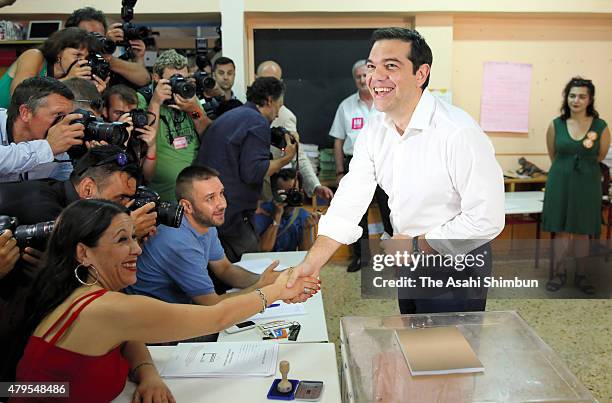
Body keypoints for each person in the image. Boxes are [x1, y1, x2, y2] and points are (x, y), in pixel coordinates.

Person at [286, 27, 505, 314]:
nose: (376, 77)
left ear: (421, 74)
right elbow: (351, 198)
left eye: (391, 66)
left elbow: (486, 219)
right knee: (415, 345)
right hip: (409, 260)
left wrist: (418, 245)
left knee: (448, 354)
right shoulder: (376, 129)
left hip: (456, 264)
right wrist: (312, 262)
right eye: (372, 67)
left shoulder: (458, 132)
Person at [6, 199, 318, 398]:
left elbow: (127, 337)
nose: (137, 249)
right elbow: (215, 317)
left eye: (134, 237)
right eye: (122, 240)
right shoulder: (104, 308)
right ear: (83, 252)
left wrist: (147, 371)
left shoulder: (85, 298)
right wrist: (279, 289)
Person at [125, 165, 282, 306]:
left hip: (179, 309)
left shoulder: (204, 221)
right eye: (210, 198)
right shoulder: (179, 242)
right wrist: (260, 287)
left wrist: (271, 279)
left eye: (221, 194)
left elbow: (225, 269)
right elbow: (211, 304)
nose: (222, 204)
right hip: (156, 327)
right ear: (187, 206)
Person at [196, 77, 297, 262]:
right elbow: (253, 172)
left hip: (208, 205)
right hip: (231, 212)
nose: (277, 114)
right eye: (279, 105)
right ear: (268, 100)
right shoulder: (258, 122)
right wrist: (286, 159)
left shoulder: (233, 115)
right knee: (249, 264)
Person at [542, 77, 610, 294]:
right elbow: (553, 155)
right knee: (561, 231)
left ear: (590, 100)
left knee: (583, 232)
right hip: (560, 181)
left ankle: (581, 275)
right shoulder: (556, 124)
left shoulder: (601, 126)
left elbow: (600, 155)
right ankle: (559, 273)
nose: (576, 100)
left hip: (588, 183)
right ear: (566, 98)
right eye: (572, 95)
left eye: (582, 96)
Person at [0, 145, 156, 239]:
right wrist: (128, 231)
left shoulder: (61, 198)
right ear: (87, 189)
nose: (127, 206)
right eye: (121, 198)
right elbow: (84, 266)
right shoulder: (43, 210)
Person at [329, 59, 392, 272]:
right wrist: (339, 171)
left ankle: (396, 256)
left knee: (391, 211)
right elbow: (338, 141)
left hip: (385, 165)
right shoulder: (345, 106)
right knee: (356, 215)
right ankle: (362, 257)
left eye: (366, 75)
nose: (363, 80)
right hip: (355, 166)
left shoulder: (388, 103)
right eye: (358, 76)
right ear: (354, 79)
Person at [256, 60, 334, 202]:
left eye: (273, 82)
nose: (268, 88)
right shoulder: (244, 111)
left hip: (270, 186)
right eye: (264, 81)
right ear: (255, 79)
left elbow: (298, 153)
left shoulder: (284, 115)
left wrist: (315, 185)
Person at [140, 49, 211, 201]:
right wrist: (156, 102)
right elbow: (146, 139)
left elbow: (209, 135)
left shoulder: (190, 97)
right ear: (156, 78)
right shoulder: (143, 99)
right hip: (162, 194)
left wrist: (194, 110)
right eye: (174, 79)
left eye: (183, 79)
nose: (179, 84)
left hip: (195, 191)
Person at [0, 77, 84, 183]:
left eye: (68, 116)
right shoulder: (51, 144)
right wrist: (48, 147)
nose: (64, 124)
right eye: (58, 114)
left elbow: (68, 186)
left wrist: (87, 159)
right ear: (25, 113)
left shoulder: (55, 143)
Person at [0, 27, 104, 108]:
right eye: (77, 55)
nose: (83, 61)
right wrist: (68, 80)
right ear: (59, 52)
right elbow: (20, 94)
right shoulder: (34, 56)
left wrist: (91, 93)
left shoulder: (69, 75)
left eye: (86, 57)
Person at [65, 7, 151, 88]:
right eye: (91, 35)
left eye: (100, 36)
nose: (96, 39)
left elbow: (144, 79)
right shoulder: (59, 60)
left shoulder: (104, 62)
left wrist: (138, 58)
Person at [254, 168, 321, 252]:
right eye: (284, 193)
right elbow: (264, 248)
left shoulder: (303, 216)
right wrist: (277, 217)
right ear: (275, 193)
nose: (289, 197)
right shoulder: (263, 212)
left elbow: (305, 254)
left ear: (301, 192)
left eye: (293, 192)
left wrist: (307, 229)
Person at [103, 84, 157, 182]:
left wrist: (152, 147)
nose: (127, 119)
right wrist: (121, 138)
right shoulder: (100, 135)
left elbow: (147, 177)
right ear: (105, 112)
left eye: (131, 113)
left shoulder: (139, 134)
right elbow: (110, 179)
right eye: (119, 113)